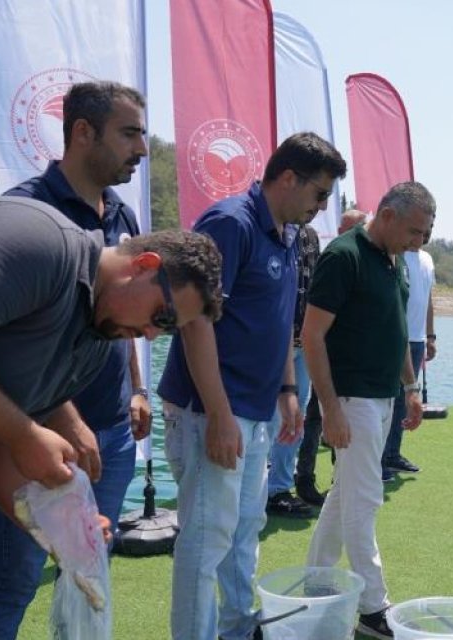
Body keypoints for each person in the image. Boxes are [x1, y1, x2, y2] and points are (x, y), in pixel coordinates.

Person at [0, 197, 223, 639]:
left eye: (167, 330)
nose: (153, 334)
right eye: (162, 316)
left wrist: (62, 533)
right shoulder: (39, 240)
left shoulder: (93, 345)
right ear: (144, 265)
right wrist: (24, 433)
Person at [0, 80, 151, 639]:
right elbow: (3, 343)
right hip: (33, 429)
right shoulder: (24, 213)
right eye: (130, 133)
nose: (142, 149)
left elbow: (125, 320)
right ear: (81, 132)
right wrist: (57, 415)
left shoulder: (121, 216)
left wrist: (137, 388)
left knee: (89, 567)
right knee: (16, 578)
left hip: (113, 431)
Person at [156, 132, 346, 640]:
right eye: (320, 193)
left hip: (257, 409)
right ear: (288, 178)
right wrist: (217, 414)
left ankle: (239, 628)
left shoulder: (286, 233)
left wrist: (287, 390)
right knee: (205, 538)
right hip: (211, 410)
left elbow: (280, 320)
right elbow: (195, 322)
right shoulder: (230, 224)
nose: (322, 205)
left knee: (243, 531)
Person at [303, 183, 436, 639]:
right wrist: (329, 409)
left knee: (345, 495)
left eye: (425, 234)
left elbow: (396, 330)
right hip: (351, 398)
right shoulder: (344, 256)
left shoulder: (395, 259)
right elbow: (312, 336)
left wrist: (411, 387)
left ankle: (316, 583)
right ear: (387, 215)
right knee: (364, 501)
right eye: (415, 231)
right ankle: (373, 609)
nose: (419, 242)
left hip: (383, 397)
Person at [294, 208, 368, 505]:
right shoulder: (334, 259)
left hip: (348, 360)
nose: (350, 234)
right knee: (312, 417)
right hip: (318, 354)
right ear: (339, 230)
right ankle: (304, 478)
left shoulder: (368, 263)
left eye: (356, 228)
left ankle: (342, 482)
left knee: (342, 420)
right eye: (346, 228)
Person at [264, 218, 321, 518]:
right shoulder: (267, 230)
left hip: (304, 343)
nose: (319, 205)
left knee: (294, 421)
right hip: (273, 345)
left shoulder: (311, 237)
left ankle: (278, 489)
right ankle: (260, 487)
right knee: (270, 420)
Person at [382, 231, 437, 476]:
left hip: (417, 340)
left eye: (430, 227)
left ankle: (393, 453)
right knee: (389, 400)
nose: (426, 233)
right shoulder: (397, 255)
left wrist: (431, 336)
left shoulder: (427, 259)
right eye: (421, 228)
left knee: (405, 401)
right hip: (396, 340)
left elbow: (428, 301)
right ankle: (380, 458)